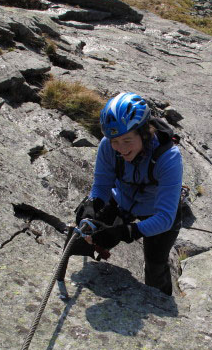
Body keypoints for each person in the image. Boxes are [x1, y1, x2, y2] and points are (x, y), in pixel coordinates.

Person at [70, 92, 183, 296]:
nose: (120, 148)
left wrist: (128, 232)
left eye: (127, 140)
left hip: (155, 211)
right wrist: (92, 205)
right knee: (90, 237)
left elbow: (165, 217)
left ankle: (161, 304)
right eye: (115, 141)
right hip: (121, 200)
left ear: (144, 132)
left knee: (156, 264)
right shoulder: (108, 145)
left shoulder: (168, 158)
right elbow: (102, 185)